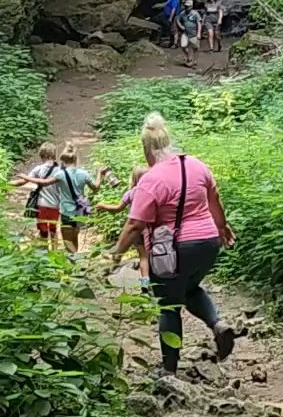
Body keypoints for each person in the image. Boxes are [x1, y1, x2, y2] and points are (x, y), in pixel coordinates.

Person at [111, 114, 238, 377]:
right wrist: (223, 228)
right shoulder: (197, 165)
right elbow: (215, 200)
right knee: (189, 288)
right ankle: (218, 324)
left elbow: (134, 224)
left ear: (147, 149)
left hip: (173, 251)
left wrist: (115, 254)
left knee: (168, 304)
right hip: (208, 243)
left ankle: (169, 370)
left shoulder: (151, 179)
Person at [13, 142, 66, 251]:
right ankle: (55, 253)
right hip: (56, 205)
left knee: (43, 231)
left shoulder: (39, 169)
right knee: (53, 230)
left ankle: (44, 253)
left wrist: (5, 184)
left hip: (41, 205)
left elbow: (21, 182)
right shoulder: (61, 170)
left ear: (41, 154)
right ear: (54, 154)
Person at [53, 144, 100, 254]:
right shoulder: (84, 173)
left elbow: (45, 182)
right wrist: (99, 174)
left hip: (66, 212)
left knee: (67, 242)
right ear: (75, 159)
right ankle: (75, 260)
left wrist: (28, 178)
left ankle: (74, 261)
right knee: (74, 238)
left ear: (63, 160)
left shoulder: (60, 174)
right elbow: (96, 188)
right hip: (79, 212)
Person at [175, 1, 203, 68]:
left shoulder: (195, 13)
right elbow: (177, 19)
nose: (186, 8)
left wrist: (199, 33)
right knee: (183, 46)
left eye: (188, 6)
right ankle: (189, 57)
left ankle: (194, 61)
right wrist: (181, 26)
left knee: (195, 48)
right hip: (185, 33)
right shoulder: (182, 13)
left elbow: (199, 23)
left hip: (194, 33)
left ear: (191, 6)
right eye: (186, 6)